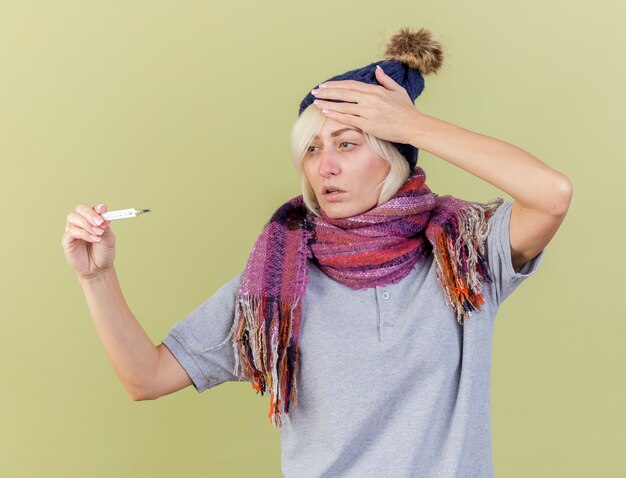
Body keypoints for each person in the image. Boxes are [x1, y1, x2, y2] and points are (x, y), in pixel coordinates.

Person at [62, 27, 572, 477]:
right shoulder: (277, 283)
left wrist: (413, 126)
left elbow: (552, 195)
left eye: (347, 144)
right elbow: (144, 377)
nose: (324, 166)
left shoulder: (464, 253)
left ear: (392, 154)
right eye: (312, 148)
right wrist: (95, 277)